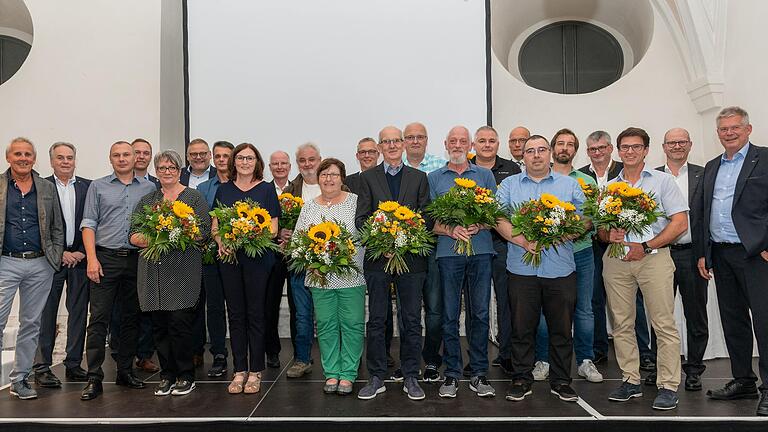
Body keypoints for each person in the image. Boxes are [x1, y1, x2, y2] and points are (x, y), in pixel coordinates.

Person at [600, 127, 687, 411]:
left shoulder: (662, 182)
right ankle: (630, 380)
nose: (630, 152)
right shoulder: (610, 187)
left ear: (647, 150)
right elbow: (601, 229)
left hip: (654, 257)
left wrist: (647, 245)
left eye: (636, 147)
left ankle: (668, 385)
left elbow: (679, 223)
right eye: (624, 147)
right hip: (616, 259)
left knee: (663, 323)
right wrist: (607, 235)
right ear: (618, 150)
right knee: (622, 323)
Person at [494, 134, 584, 403]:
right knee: (522, 328)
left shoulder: (569, 185)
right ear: (523, 156)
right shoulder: (509, 185)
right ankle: (522, 378)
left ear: (550, 154)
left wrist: (559, 235)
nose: (536, 155)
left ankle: (561, 381)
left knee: (561, 329)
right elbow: (497, 217)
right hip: (521, 269)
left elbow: (584, 218)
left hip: (560, 269)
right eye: (530, 150)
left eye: (541, 150)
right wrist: (522, 240)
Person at [697, 106, 768, 416]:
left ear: (748, 129)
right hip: (721, 254)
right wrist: (704, 252)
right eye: (723, 129)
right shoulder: (712, 166)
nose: (728, 133)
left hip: (756, 255)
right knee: (733, 321)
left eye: (734, 128)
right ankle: (743, 380)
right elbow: (702, 212)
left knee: (765, 323)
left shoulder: (764, 159)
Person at [355, 126, 430, 400]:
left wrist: (404, 242)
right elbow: (361, 219)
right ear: (379, 147)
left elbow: (427, 218)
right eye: (386, 142)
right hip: (378, 261)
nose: (392, 145)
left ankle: (411, 375)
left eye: (396, 140)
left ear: (403, 144)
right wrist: (383, 244)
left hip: (411, 261)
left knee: (411, 319)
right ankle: (376, 376)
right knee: (377, 319)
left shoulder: (420, 178)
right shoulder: (367, 178)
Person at [80, 141, 157, 401]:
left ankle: (125, 371)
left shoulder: (149, 188)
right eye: (117, 155)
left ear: (136, 158)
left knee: (131, 319)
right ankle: (93, 377)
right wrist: (91, 259)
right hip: (105, 259)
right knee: (99, 318)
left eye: (127, 154)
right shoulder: (98, 186)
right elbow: (88, 223)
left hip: (138, 261)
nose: (122, 159)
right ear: (110, 159)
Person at [130, 150, 211, 396]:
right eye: (162, 168)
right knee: (159, 327)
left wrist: (176, 230)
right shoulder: (147, 200)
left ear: (180, 170)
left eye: (172, 168)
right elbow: (134, 235)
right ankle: (167, 375)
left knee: (180, 325)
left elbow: (203, 232)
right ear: (156, 171)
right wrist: (161, 234)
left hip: (182, 271)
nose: (167, 172)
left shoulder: (194, 198)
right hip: (152, 273)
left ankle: (186, 375)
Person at [531, 129, 603, 384]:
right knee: (543, 311)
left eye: (569, 144)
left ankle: (585, 360)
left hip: (581, 253)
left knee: (584, 309)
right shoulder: (540, 179)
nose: (564, 148)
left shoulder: (587, 181)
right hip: (548, 254)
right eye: (559, 144)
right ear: (551, 149)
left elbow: (589, 218)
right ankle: (544, 360)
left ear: (575, 150)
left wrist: (569, 233)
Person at [429, 126, 496, 399]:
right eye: (453, 141)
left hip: (480, 251)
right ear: (445, 144)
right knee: (449, 315)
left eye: (462, 141)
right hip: (448, 254)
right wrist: (450, 229)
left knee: (480, 314)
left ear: (470, 145)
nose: (457, 145)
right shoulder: (433, 178)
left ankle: (479, 373)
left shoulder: (485, 175)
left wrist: (478, 223)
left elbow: (495, 214)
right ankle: (452, 374)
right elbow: (429, 221)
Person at [579, 131, 655, 370]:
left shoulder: (626, 171)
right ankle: (599, 349)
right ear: (587, 152)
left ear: (611, 148)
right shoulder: (581, 175)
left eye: (602, 147)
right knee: (595, 299)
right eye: (592, 149)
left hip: (626, 244)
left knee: (634, 300)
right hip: (593, 244)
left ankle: (644, 352)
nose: (597, 152)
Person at [291, 158, 365, 396]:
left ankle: (349, 373)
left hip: (351, 275)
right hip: (319, 278)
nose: (329, 179)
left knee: (352, 324)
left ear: (342, 178)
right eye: (324, 175)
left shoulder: (356, 203)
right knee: (325, 325)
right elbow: (297, 243)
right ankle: (332, 372)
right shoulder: (310, 206)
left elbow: (364, 236)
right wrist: (309, 258)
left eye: (334, 174)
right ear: (318, 178)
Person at [213, 143, 280, 394]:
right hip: (229, 259)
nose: (244, 162)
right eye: (240, 157)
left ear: (257, 162)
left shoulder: (266, 189)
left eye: (249, 158)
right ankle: (239, 370)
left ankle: (255, 371)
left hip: (257, 260)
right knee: (236, 314)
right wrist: (223, 241)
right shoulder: (223, 189)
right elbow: (216, 226)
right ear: (234, 162)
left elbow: (273, 229)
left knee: (256, 314)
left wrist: (246, 234)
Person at [0, 137, 64, 399]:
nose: (23, 158)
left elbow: (57, 226)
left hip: (40, 264)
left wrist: (54, 258)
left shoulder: (46, 187)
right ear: (8, 158)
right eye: (18, 154)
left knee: (31, 324)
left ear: (34, 158)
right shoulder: (1, 186)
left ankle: (20, 379)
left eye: (28, 154)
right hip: (6, 262)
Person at [646, 128, 707, 391]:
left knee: (695, 314)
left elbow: (707, 217)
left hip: (692, 255)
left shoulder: (703, 175)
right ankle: (661, 368)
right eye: (672, 142)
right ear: (664, 146)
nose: (677, 146)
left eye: (682, 142)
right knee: (660, 316)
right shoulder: (652, 177)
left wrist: (706, 254)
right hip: (659, 254)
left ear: (690, 145)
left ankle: (693, 369)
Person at [33, 142, 91, 388]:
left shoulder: (89, 187)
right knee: (46, 314)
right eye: (60, 158)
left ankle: (74, 364)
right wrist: (59, 254)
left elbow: (94, 221)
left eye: (69, 157)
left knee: (78, 313)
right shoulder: (42, 187)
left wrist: (79, 252)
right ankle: (42, 367)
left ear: (75, 160)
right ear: (51, 161)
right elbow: (38, 226)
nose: (65, 161)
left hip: (80, 259)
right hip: (50, 262)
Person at [469, 126, 520, 374]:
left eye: (491, 141)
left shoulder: (512, 169)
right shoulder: (464, 170)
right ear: (473, 145)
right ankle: (474, 357)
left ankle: (506, 353)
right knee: (475, 304)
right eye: (482, 141)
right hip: (474, 245)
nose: (487, 145)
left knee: (506, 300)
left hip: (503, 245)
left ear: (498, 144)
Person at [402, 122, 446, 382]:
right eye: (410, 137)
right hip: (401, 251)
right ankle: (408, 362)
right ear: (404, 141)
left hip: (430, 248)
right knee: (407, 310)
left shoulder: (439, 168)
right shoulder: (395, 170)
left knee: (434, 308)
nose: (415, 141)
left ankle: (431, 360)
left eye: (420, 137)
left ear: (427, 140)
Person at [114, 138, 159, 374]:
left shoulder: (154, 187)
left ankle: (144, 355)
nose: (141, 156)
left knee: (143, 308)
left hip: (143, 255)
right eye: (137, 152)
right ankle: (120, 355)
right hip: (112, 256)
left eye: (146, 153)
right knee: (117, 308)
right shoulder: (108, 184)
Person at [281, 142, 323, 378]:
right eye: (303, 161)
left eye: (312, 160)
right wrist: (282, 232)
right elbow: (281, 225)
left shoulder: (336, 185)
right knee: (302, 314)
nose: (307, 164)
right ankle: (302, 359)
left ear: (320, 160)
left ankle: (335, 358)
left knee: (330, 314)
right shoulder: (290, 191)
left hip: (330, 262)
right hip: (299, 262)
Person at [194, 141, 234, 377]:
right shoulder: (204, 188)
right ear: (212, 158)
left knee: (241, 308)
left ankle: (246, 354)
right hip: (211, 254)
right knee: (215, 307)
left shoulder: (244, 186)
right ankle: (219, 354)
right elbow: (201, 222)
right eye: (217, 156)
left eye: (226, 156)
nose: (221, 160)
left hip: (240, 256)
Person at [265, 150, 294, 369]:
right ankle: (272, 351)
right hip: (272, 256)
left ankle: (300, 352)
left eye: (283, 163)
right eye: (275, 163)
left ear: (290, 166)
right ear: (269, 166)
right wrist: (278, 233)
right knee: (270, 305)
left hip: (296, 256)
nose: (280, 167)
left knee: (298, 306)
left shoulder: (298, 188)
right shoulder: (264, 190)